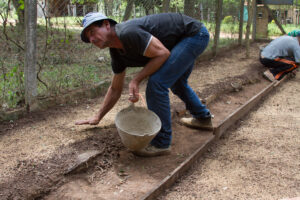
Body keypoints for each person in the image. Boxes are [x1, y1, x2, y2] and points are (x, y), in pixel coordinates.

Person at [75, 12, 213, 157]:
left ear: (106, 25)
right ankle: (203, 119)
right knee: (177, 84)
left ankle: (162, 143)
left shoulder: (128, 33)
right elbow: (115, 89)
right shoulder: (117, 54)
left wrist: (136, 79)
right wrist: (98, 117)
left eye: (92, 31)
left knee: (157, 84)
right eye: (88, 37)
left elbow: (162, 54)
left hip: (194, 35)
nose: (91, 39)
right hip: (181, 40)